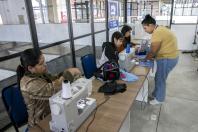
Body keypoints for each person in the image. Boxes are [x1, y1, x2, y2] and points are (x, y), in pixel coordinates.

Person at [16, 48, 81, 127]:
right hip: (40, 122)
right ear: (30, 68)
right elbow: (53, 90)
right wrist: (69, 73)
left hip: (52, 112)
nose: (45, 65)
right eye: (41, 63)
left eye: (44, 61)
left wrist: (65, 72)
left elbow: (54, 79)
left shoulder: (39, 73)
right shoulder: (29, 84)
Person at [141, 14, 179, 105]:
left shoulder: (157, 32)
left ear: (151, 25)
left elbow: (153, 51)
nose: (145, 30)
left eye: (145, 28)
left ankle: (159, 99)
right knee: (159, 77)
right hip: (170, 57)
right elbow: (155, 48)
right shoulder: (160, 29)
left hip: (167, 58)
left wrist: (144, 60)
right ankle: (156, 94)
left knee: (160, 79)